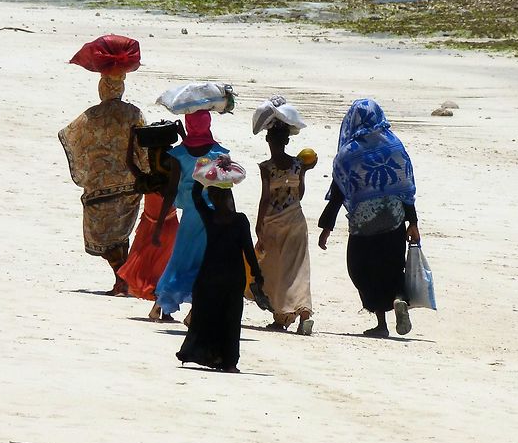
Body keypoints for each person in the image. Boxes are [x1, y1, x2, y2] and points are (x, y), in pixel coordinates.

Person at [318, 99, 421, 337]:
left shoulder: (348, 154)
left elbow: (338, 191)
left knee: (362, 270)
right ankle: (398, 299)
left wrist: (327, 226)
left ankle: (382, 323)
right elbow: (405, 186)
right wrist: (413, 222)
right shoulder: (394, 146)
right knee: (393, 266)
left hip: (364, 223)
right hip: (394, 218)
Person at [59, 72, 146, 295]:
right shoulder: (133, 113)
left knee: (103, 235)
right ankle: (123, 279)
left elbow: (69, 136)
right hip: (130, 182)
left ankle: (121, 278)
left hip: (99, 184)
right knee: (120, 233)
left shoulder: (91, 115)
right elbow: (143, 146)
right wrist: (146, 174)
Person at [177, 177, 265, 373]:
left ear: (227, 197)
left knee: (227, 319)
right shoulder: (225, 218)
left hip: (220, 277)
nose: (217, 199)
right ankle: (224, 360)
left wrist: (204, 178)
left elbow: (249, 251)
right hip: (218, 277)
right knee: (217, 317)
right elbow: (196, 196)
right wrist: (203, 177)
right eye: (214, 195)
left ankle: (228, 361)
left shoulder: (219, 218)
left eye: (219, 195)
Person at [153, 111, 228, 320]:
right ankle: (195, 310)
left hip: (191, 214)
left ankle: (160, 305)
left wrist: (159, 224)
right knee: (205, 262)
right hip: (212, 214)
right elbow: (224, 187)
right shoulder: (218, 153)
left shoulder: (180, 153)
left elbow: (170, 191)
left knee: (180, 259)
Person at [255, 123, 315, 335]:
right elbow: (300, 193)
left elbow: (265, 199)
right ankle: (303, 314)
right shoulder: (298, 164)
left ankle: (282, 315)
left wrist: (258, 224)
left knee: (274, 269)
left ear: (267, 140)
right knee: (298, 268)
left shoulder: (266, 167)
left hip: (273, 223)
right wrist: (304, 172)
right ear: (287, 141)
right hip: (296, 220)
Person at [117, 121, 182, 319]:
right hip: (168, 226)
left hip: (152, 226)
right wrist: (183, 133)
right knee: (164, 269)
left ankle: (161, 307)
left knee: (152, 270)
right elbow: (188, 156)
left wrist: (131, 138)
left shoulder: (148, 182)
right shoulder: (169, 184)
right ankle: (163, 309)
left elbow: (129, 163)